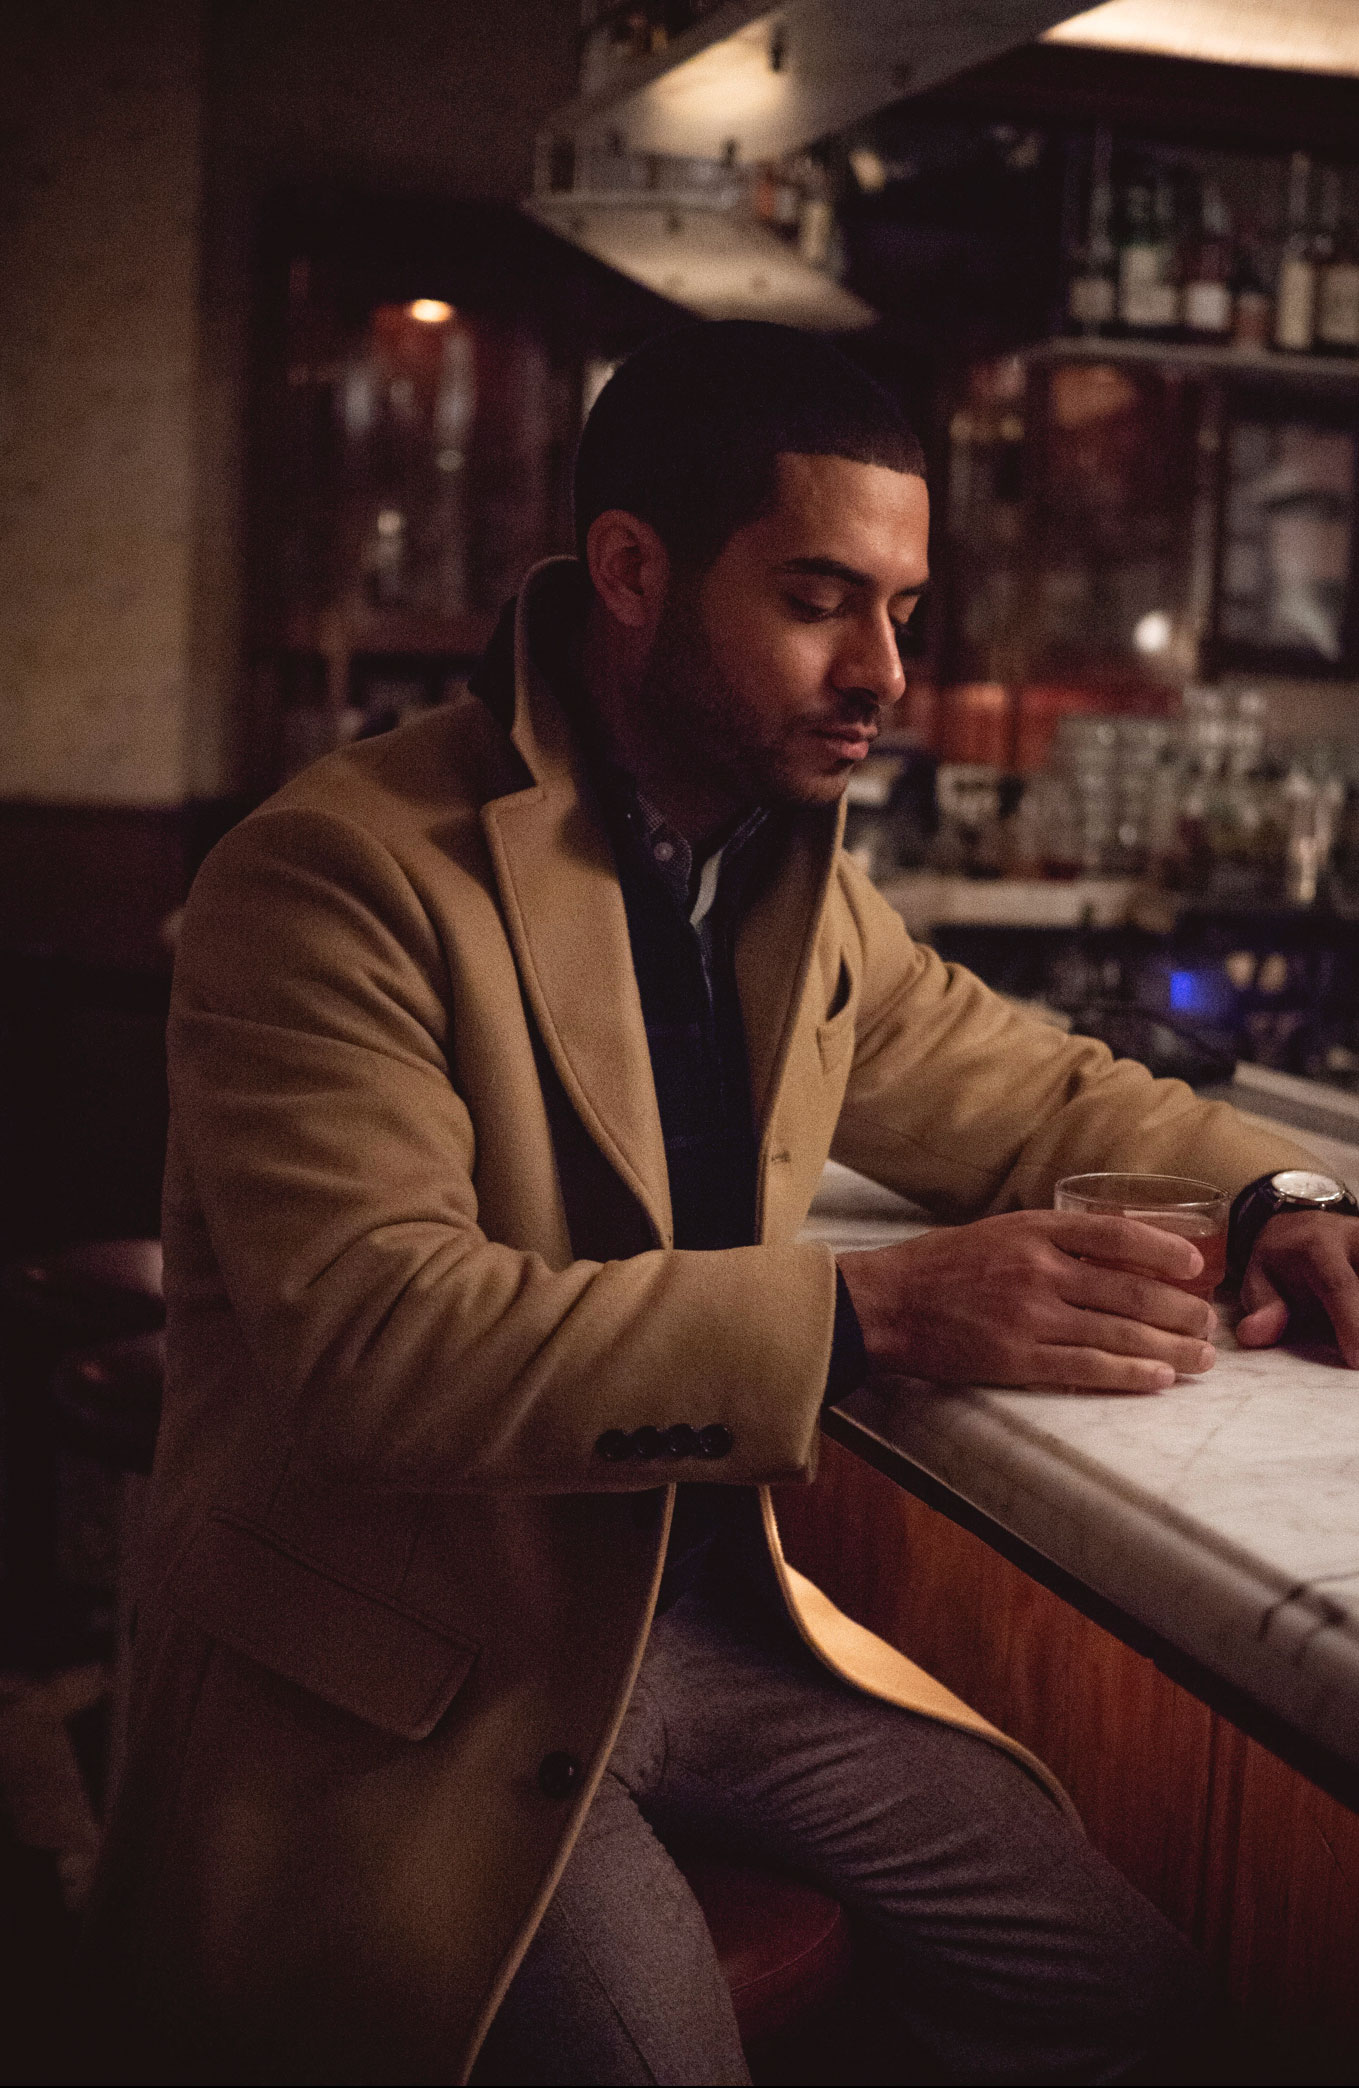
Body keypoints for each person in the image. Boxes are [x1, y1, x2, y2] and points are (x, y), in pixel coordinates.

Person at [86, 323, 1359, 2087]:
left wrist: (1287, 1192)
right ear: (632, 571)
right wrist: (877, 1309)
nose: (887, 671)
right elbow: (379, 1344)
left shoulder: (780, 883)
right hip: (407, 1667)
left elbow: (1037, 1086)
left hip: (695, 1624)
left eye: (905, 608)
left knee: (1123, 1990)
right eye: (823, 598)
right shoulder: (338, 870)